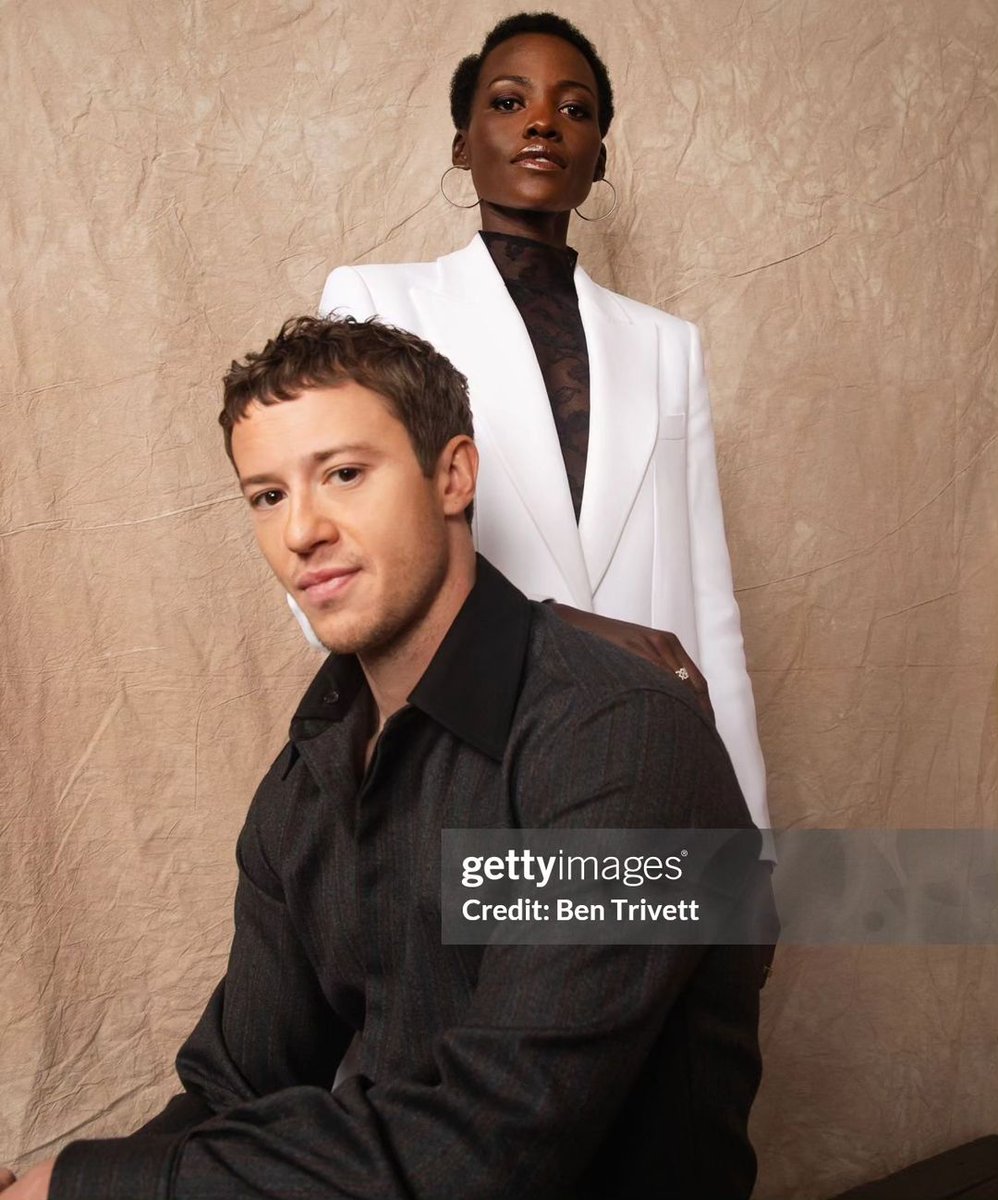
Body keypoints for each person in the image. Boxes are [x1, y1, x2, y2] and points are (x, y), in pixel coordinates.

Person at [4, 316, 770, 1200]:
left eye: (343, 474)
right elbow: (235, 1089)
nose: (302, 533)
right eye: (267, 496)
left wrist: (90, 1188)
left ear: (453, 476)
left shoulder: (617, 734)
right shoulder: (308, 774)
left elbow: (495, 1144)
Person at [313, 11, 771, 837]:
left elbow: (711, 608)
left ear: (600, 157)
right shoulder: (379, 303)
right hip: (463, 758)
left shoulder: (670, 346)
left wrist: (753, 852)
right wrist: (553, 632)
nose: (542, 122)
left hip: (645, 768)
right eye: (509, 101)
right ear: (462, 143)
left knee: (653, 966)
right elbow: (349, 556)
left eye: (575, 109)